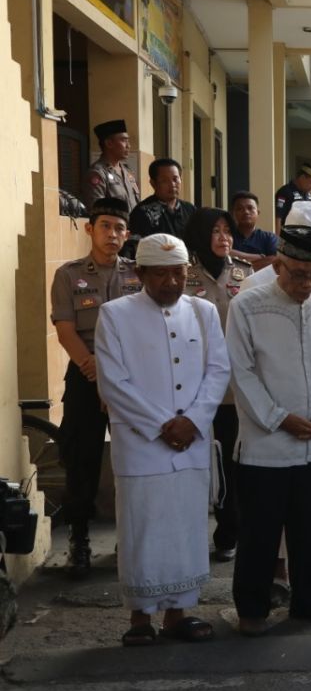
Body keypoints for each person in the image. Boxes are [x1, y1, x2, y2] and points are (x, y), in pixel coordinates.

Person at [94, 233, 230, 646]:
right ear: (141, 274)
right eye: (161, 274)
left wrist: (193, 420)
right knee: (142, 527)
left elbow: (219, 370)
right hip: (141, 444)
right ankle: (140, 617)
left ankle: (178, 613)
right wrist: (161, 425)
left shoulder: (203, 311)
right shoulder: (114, 314)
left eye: (178, 273)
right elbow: (113, 383)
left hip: (191, 442)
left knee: (186, 527)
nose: (171, 282)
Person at [226, 225, 311, 635]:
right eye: (298, 273)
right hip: (266, 442)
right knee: (261, 530)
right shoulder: (247, 305)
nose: (306, 283)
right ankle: (252, 609)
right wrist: (279, 417)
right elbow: (241, 373)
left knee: (306, 527)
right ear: (278, 265)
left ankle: (308, 600)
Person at [50, 197, 143, 577]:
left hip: (132, 377)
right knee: (82, 457)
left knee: (133, 457)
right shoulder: (69, 275)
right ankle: (80, 539)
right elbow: (66, 330)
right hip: (86, 376)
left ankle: (131, 538)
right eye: (105, 226)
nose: (113, 234)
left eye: (119, 228)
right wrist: (95, 372)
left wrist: (118, 377)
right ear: (90, 229)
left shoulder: (138, 275)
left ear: (127, 234)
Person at [182, 208, 254, 562]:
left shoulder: (246, 274)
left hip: (232, 390)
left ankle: (229, 531)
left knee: (229, 461)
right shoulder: (182, 275)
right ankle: (189, 531)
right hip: (189, 388)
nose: (224, 237)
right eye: (216, 231)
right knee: (193, 461)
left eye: (228, 231)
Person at [127, 159, 196, 258]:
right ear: (153, 183)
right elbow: (135, 250)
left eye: (175, 179)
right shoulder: (142, 212)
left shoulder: (190, 209)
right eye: (164, 181)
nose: (172, 184)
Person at [84, 119, 140, 214]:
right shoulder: (98, 173)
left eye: (128, 141)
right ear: (109, 143)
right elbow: (97, 210)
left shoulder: (127, 172)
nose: (128, 146)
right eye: (123, 140)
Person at [229, 191, 278, 272]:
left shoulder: (269, 238)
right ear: (232, 213)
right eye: (240, 209)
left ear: (258, 212)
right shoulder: (227, 236)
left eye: (250, 208)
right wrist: (259, 258)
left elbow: (275, 262)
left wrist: (232, 254)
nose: (246, 212)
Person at [274, 162, 311, 232]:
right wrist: (277, 240)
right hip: (288, 237)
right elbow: (278, 217)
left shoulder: (309, 196)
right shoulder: (285, 192)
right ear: (302, 178)